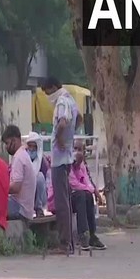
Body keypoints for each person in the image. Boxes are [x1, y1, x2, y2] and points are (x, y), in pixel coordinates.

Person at [42, 76, 82, 250]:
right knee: (65, 198)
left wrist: (59, 138)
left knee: (61, 201)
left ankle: (65, 242)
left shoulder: (61, 102)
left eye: (47, 92)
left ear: (53, 87)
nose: (47, 96)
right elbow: (79, 118)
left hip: (59, 158)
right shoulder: (71, 100)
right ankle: (69, 241)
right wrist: (70, 138)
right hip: (67, 156)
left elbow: (63, 122)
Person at [70, 141, 107, 250]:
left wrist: (93, 191)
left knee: (87, 196)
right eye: (74, 149)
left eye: (79, 149)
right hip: (66, 197)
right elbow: (73, 184)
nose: (77, 152)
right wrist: (92, 190)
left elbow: (87, 181)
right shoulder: (68, 163)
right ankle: (82, 235)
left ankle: (91, 235)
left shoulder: (82, 165)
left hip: (79, 196)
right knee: (82, 194)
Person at [2, 125, 37, 221]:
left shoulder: (19, 158)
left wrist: (0, 188)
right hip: (26, 209)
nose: (6, 147)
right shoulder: (24, 155)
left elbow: (15, 187)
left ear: (14, 140)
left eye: (7, 143)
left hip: (20, 209)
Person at [26, 132, 49, 217]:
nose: (31, 149)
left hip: (39, 195)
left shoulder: (42, 162)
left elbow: (46, 183)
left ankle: (38, 208)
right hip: (25, 191)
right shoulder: (23, 158)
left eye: (34, 147)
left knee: (39, 176)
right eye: (30, 146)